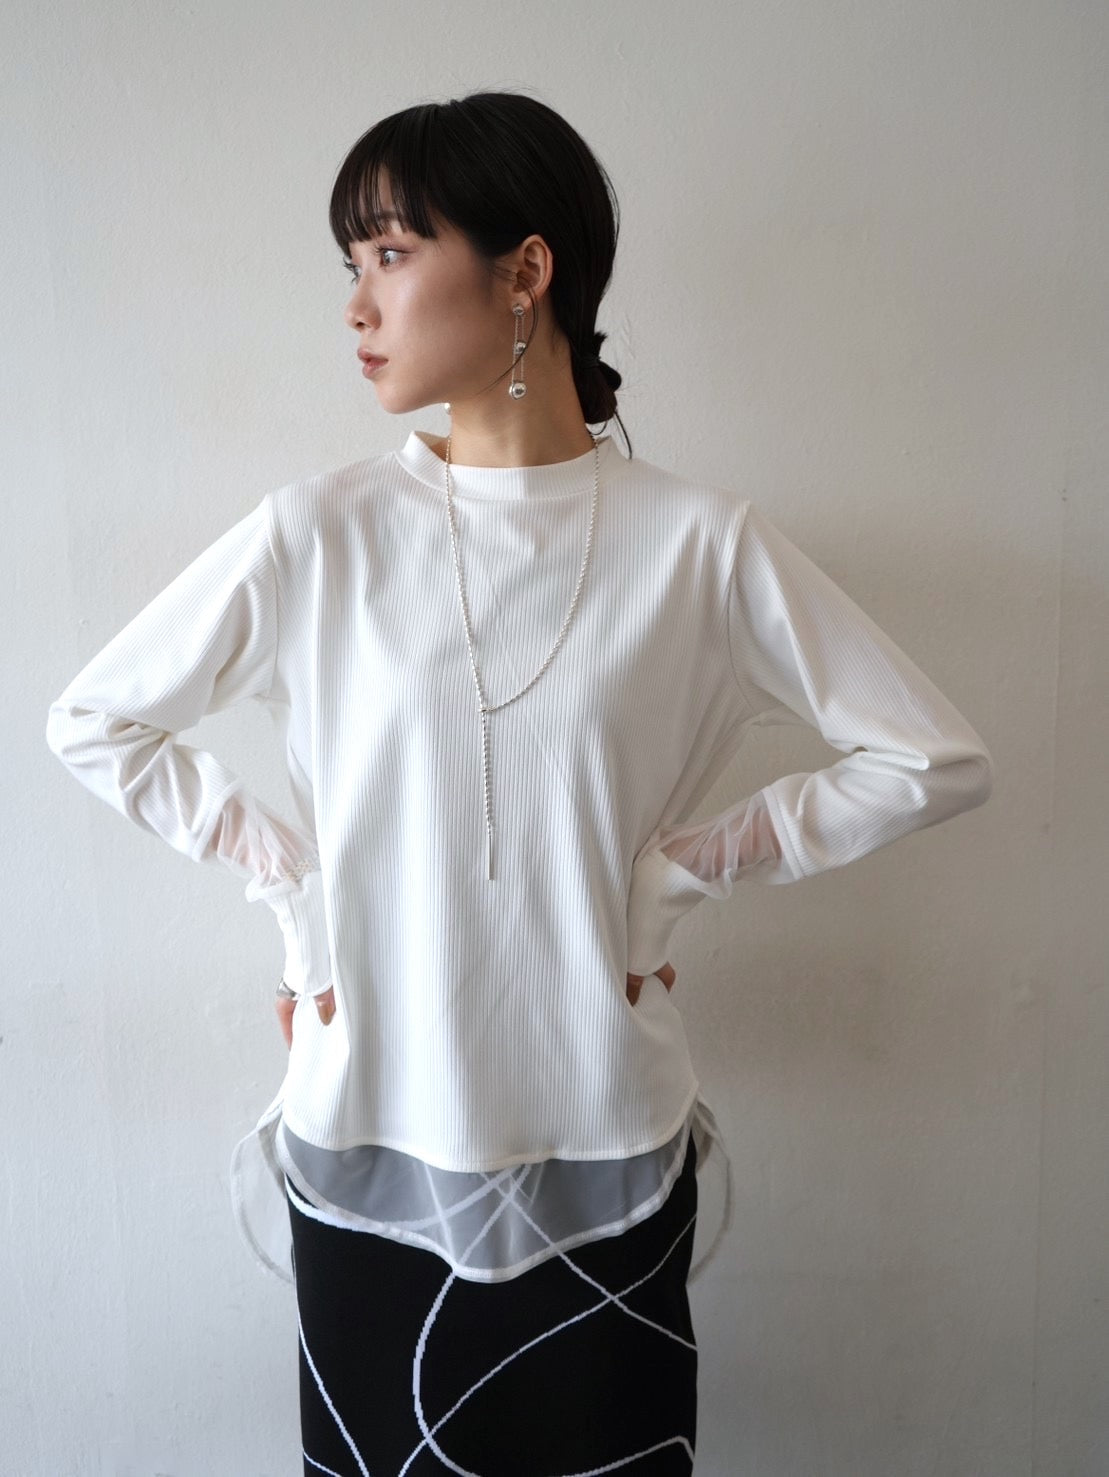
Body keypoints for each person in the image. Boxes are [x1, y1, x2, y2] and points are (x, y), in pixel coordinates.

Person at [45, 89, 994, 1476]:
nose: (356, 305)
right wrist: (300, 897)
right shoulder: (318, 536)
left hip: (604, 1140)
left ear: (524, 271)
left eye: (390, 253)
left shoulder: (699, 547)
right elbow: (94, 720)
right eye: (351, 264)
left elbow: (930, 756)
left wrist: (678, 877)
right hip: (370, 1131)